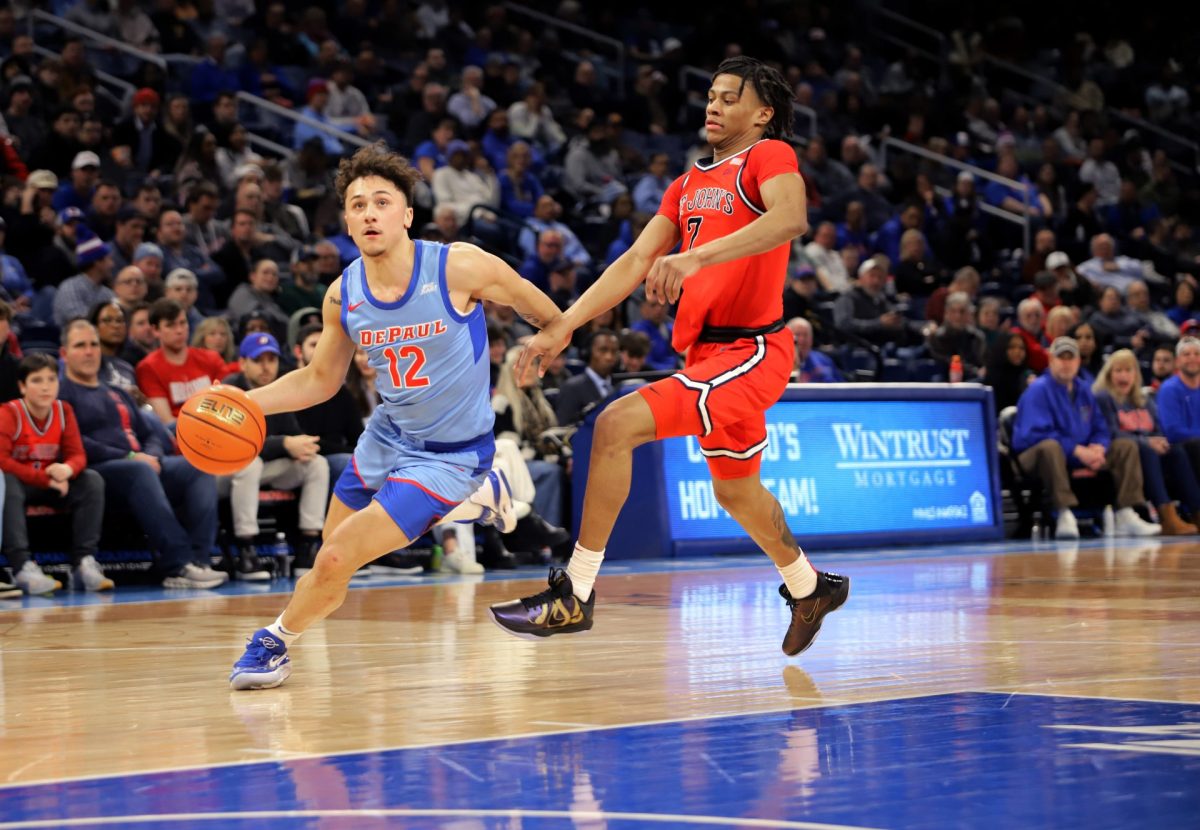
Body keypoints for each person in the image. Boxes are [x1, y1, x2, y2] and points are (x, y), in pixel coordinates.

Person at [491, 57, 849, 655]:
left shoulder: (769, 156)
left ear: (762, 113)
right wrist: (563, 326)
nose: (714, 105)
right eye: (711, 95)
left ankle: (574, 593)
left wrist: (696, 257)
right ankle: (809, 587)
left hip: (752, 350)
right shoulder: (685, 185)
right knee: (736, 492)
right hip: (707, 356)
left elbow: (791, 219)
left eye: (730, 98)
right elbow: (634, 262)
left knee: (614, 424)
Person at [229, 143, 564, 690]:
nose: (368, 213)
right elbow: (319, 380)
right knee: (327, 563)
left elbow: (547, 313)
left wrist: (547, 341)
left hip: (449, 457)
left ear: (406, 214)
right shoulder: (343, 294)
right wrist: (248, 401)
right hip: (385, 439)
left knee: (337, 555)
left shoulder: (458, 265)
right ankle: (487, 497)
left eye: (381, 202)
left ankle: (273, 642)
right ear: (346, 219)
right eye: (357, 204)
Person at [58, 320, 228, 588]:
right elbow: (75, 442)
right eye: (80, 346)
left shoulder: (115, 392)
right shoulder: (60, 394)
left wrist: (152, 455)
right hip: (100, 471)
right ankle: (179, 565)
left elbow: (153, 434)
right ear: (64, 354)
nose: (90, 351)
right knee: (140, 470)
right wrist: (132, 457)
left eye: (94, 344)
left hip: (141, 467)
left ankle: (201, 560)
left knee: (196, 467)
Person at [1011, 336, 1160, 540]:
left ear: (1078, 361)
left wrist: (1099, 447)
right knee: (1050, 447)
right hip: (1034, 457)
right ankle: (1064, 513)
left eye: (1070, 358)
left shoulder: (1084, 390)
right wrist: (1077, 450)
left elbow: (1100, 427)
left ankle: (1126, 512)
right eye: (1060, 358)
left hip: (1079, 453)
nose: (1066, 363)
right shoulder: (1038, 390)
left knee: (1125, 446)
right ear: (1051, 360)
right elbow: (1036, 433)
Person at [0, 353, 107, 594]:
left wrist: (67, 469)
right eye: (37, 380)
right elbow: (3, 461)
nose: (46, 386)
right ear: (22, 386)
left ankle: (84, 565)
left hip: (53, 484)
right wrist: (46, 479)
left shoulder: (63, 410)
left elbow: (78, 454)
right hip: (23, 484)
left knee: (91, 480)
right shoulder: (9, 413)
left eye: (51, 379)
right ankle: (22, 567)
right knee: (6, 481)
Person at [1092, 349, 1199, 535]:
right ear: (1109, 374)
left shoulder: (1143, 399)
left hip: (1146, 449)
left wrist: (1159, 440)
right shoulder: (1104, 398)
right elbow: (1111, 433)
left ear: (1136, 374)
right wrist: (1146, 441)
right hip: (1122, 452)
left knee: (1176, 451)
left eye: (1128, 370)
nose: (1123, 376)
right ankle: (1166, 516)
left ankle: (1197, 510)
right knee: (1147, 450)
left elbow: (1158, 428)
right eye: (1118, 371)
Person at [787, 317, 841, 383]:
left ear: (811, 339)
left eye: (805, 335)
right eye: (797, 334)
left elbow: (840, 387)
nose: (802, 339)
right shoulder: (778, 362)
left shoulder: (823, 360)